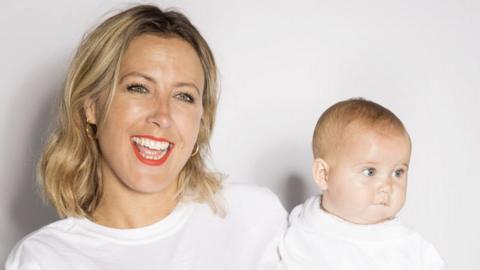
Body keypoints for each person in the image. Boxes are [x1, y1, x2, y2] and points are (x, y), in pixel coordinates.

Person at [6, 4, 286, 270]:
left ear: (201, 119)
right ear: (90, 106)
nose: (162, 116)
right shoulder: (44, 259)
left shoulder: (254, 216)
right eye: (139, 88)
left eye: (183, 96)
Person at [279, 98, 446, 269]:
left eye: (398, 173)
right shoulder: (303, 225)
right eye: (370, 172)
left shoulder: (413, 248)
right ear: (324, 175)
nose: (388, 186)